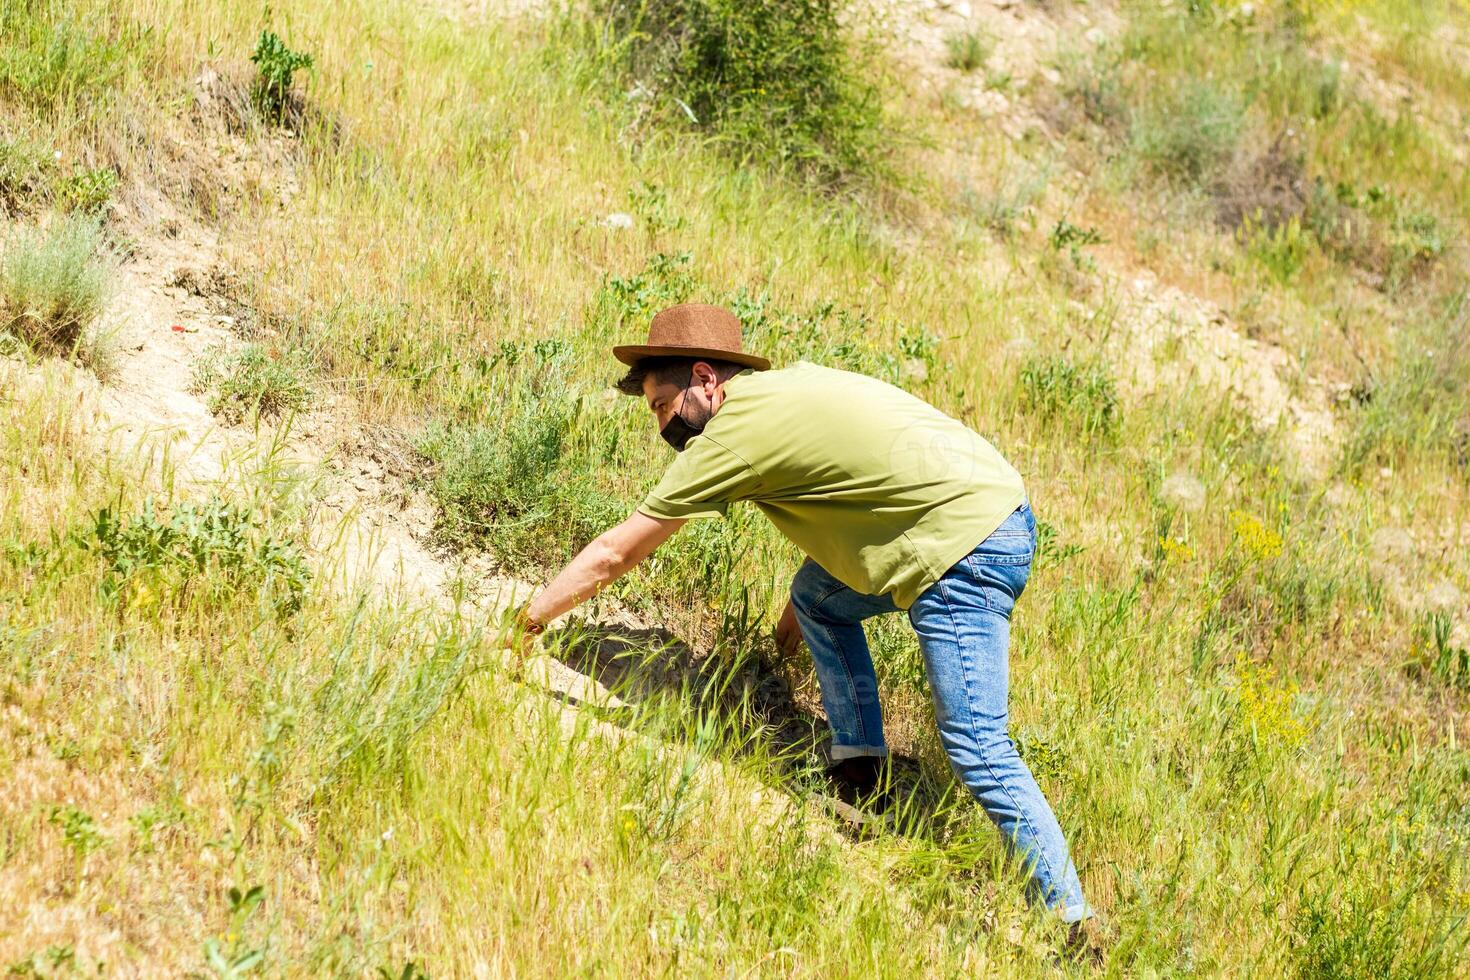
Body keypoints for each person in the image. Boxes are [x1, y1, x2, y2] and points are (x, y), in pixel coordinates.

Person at [514, 302, 1094, 929]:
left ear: (706, 379)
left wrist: (525, 623)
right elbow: (845, 517)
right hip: (991, 510)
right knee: (817, 598)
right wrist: (778, 656)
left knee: (978, 746)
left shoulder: (731, 437)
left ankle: (1070, 921)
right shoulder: (788, 390)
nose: (662, 429)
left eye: (662, 406)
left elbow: (615, 552)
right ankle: (859, 777)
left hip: (962, 548)